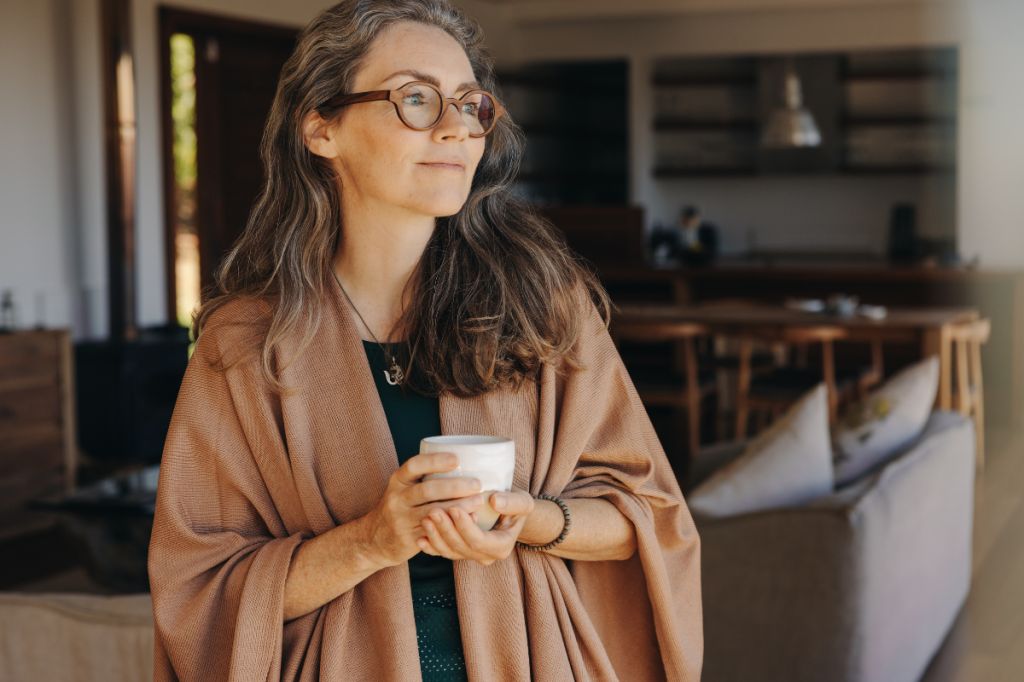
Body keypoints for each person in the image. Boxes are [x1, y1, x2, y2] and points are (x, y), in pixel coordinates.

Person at [147, 2, 703, 681]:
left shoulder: (541, 307)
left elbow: (647, 517)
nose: (456, 129)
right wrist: (373, 541)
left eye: (470, 106)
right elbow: (198, 591)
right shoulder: (245, 345)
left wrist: (527, 518)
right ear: (321, 128)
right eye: (416, 98)